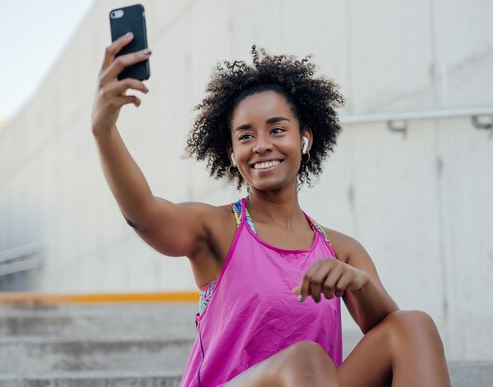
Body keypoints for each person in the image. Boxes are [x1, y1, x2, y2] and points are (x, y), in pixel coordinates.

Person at [92, 33, 452, 387]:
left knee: (413, 325)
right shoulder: (216, 228)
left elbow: (391, 337)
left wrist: (360, 285)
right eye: (246, 136)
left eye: (277, 130)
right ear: (232, 154)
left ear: (304, 138)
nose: (262, 145)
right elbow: (145, 216)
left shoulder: (342, 250)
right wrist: (104, 130)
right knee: (305, 357)